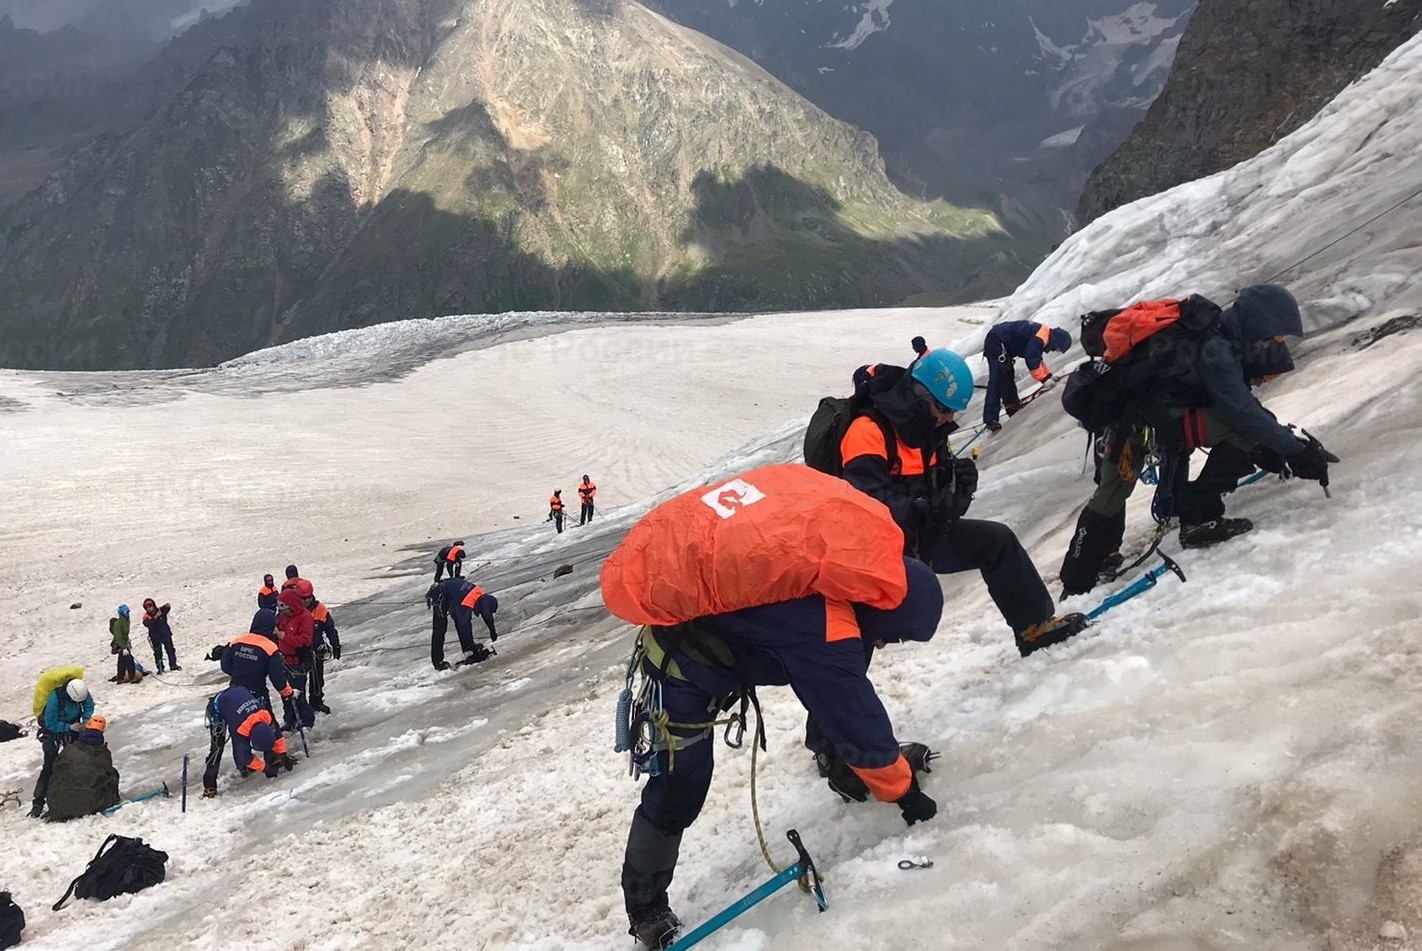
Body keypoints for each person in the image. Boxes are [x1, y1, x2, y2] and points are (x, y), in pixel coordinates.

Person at [614, 557, 944, 949]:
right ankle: (646, 908)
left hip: (695, 650)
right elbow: (854, 713)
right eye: (897, 634)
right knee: (680, 784)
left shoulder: (840, 592)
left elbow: (839, 696)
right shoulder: (826, 627)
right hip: (678, 670)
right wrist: (906, 795)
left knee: (841, 672)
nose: (888, 642)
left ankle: (843, 768)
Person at [1059, 284, 1334, 596]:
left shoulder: (1209, 334)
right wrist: (1294, 451)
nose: (1273, 343)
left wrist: (1280, 445)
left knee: (1111, 493)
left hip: (1128, 421)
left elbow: (1238, 404)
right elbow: (1243, 414)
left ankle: (1077, 582)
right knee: (1239, 429)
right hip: (1145, 422)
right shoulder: (1216, 348)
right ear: (1259, 322)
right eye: (1273, 335)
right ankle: (1198, 517)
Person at [837, 349, 1087, 657]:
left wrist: (956, 492)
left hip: (918, 536)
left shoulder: (928, 429)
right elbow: (861, 501)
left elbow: (934, 493)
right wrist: (917, 508)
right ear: (920, 395)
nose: (948, 418)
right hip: (872, 552)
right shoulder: (868, 431)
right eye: (943, 408)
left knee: (997, 541)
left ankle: (1034, 628)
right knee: (854, 633)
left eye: (952, 412)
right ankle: (840, 700)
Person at [202, 685, 292, 797]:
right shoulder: (242, 729)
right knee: (217, 747)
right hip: (218, 706)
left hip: (239, 696)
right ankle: (209, 785)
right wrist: (265, 769)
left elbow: (277, 735)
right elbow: (244, 756)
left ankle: (246, 767)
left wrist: (283, 754)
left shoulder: (265, 715)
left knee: (243, 747)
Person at [981, 320, 1072, 431]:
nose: (1053, 350)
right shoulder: (1040, 338)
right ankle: (990, 419)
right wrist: (1044, 379)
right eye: (1057, 348)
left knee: (1008, 377)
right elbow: (1032, 360)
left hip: (1000, 342)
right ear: (1056, 341)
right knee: (998, 380)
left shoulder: (1044, 334)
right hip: (996, 342)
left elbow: (1037, 358)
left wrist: (1048, 376)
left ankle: (1012, 407)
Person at [30, 676, 95, 818]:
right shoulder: (54, 699)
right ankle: (38, 801)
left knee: (76, 759)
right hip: (53, 731)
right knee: (50, 764)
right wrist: (69, 727)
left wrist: (86, 719)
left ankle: (76, 792)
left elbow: (89, 706)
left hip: (74, 726)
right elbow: (50, 723)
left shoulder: (81, 691)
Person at [220, 609, 295, 720]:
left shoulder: (237, 641)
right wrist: (288, 693)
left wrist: (240, 673)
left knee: (240, 724)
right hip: (257, 693)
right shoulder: (270, 648)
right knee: (268, 724)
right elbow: (277, 679)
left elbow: (225, 665)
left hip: (236, 692)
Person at [43, 715, 120, 822]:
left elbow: (54, 772)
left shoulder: (68, 750)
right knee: (113, 774)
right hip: (87, 805)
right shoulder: (103, 754)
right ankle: (111, 799)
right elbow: (106, 775)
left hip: (57, 804)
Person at [426, 577, 498, 670]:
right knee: (440, 628)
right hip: (440, 594)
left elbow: (487, 615)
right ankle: (438, 662)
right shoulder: (468, 600)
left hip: (450, 592)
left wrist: (492, 631)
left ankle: (468, 647)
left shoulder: (479, 595)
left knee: (460, 619)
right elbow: (464, 624)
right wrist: (471, 654)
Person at [275, 584, 316, 731]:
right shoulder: (283, 616)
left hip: (298, 663)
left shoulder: (305, 618)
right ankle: (290, 720)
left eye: (285, 608)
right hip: (283, 661)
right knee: (285, 693)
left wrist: (284, 637)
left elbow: (305, 640)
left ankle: (307, 722)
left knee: (298, 695)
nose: (283, 611)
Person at [305, 587, 341, 715]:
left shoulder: (320, 609)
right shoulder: (293, 609)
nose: (306, 600)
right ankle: (301, 709)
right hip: (299, 652)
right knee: (298, 683)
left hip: (316, 650)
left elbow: (330, 629)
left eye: (308, 597)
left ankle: (316, 702)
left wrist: (336, 645)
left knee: (317, 678)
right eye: (303, 598)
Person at [140, 598, 180, 672]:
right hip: (155, 637)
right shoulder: (146, 617)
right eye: (147, 607)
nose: (149, 608)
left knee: (170, 650)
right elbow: (148, 624)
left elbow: (168, 606)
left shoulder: (160, 610)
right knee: (158, 653)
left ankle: (173, 664)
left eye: (150, 606)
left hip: (165, 634)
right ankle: (160, 668)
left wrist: (161, 610)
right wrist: (155, 618)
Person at [109, 605, 139, 684]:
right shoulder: (118, 624)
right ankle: (132, 677)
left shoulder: (126, 621)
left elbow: (125, 634)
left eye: (128, 612)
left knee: (122, 661)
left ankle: (120, 678)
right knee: (129, 661)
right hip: (120, 645)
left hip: (124, 644)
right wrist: (123, 647)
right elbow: (118, 637)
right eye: (126, 612)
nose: (128, 614)